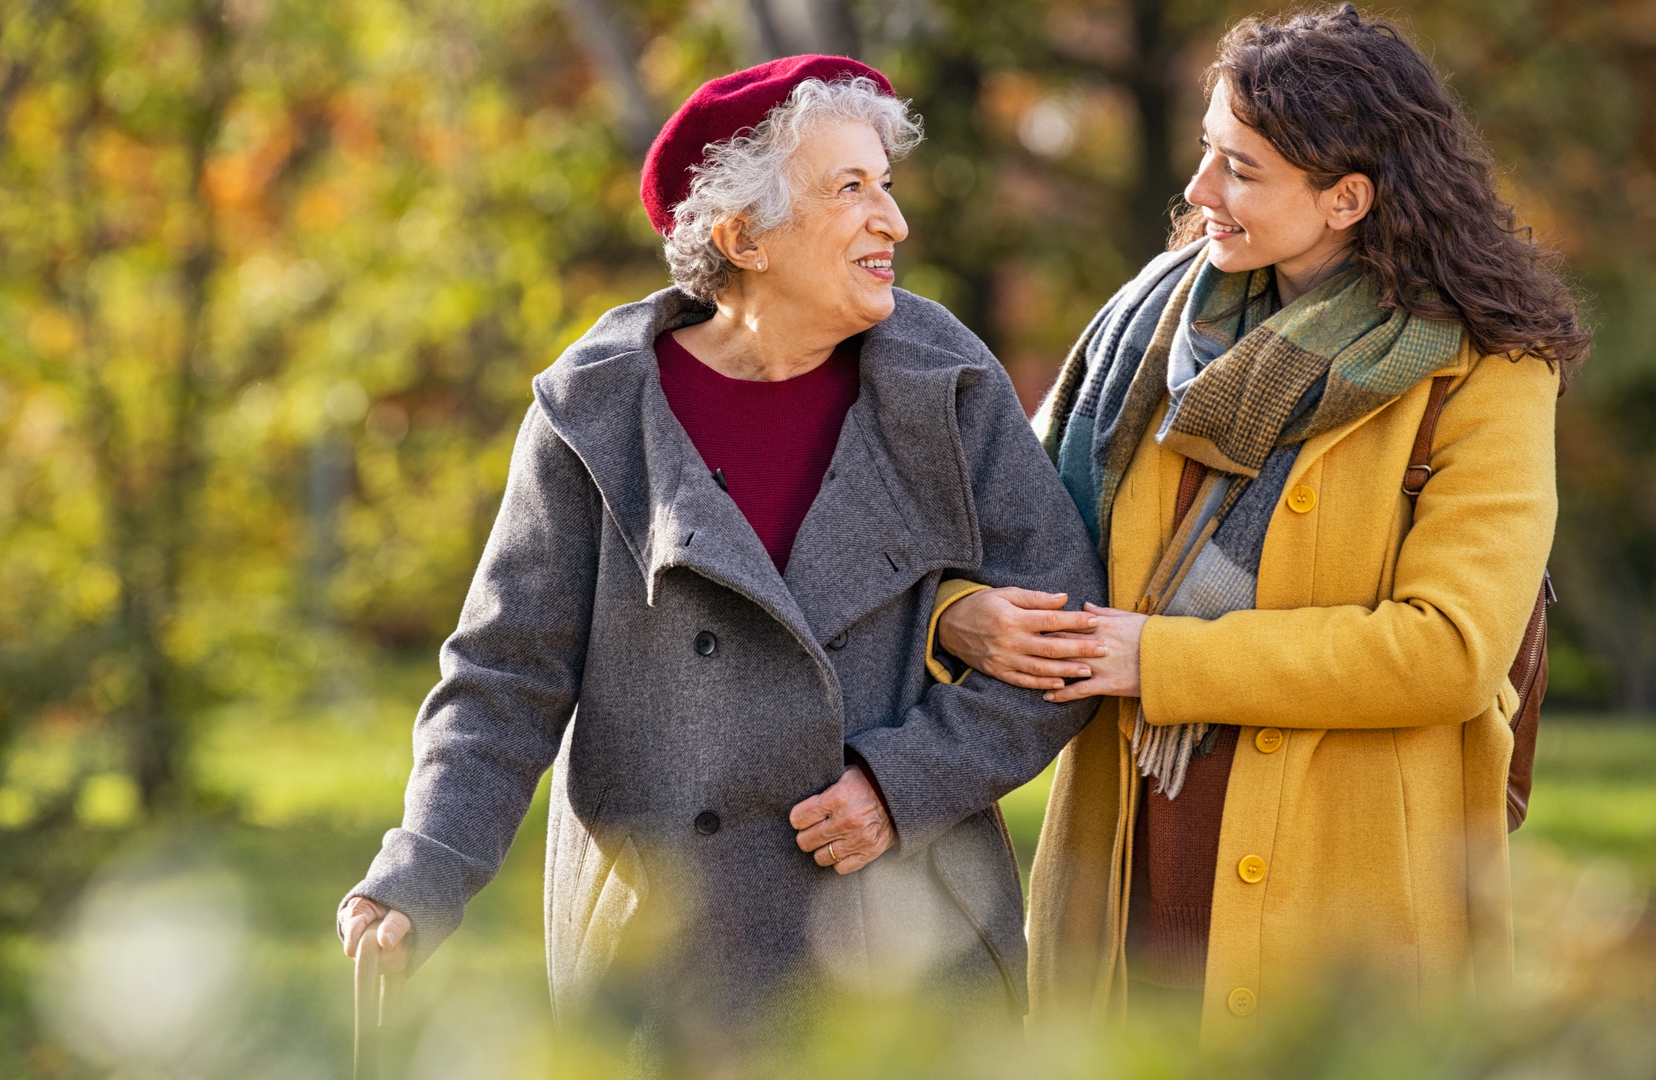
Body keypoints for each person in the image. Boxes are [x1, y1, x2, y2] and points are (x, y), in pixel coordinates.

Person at [336, 55, 1105, 1064]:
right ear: (744, 237)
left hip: (910, 943)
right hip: (671, 955)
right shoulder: (597, 414)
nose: (894, 222)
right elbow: (505, 675)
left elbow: (1062, 637)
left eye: (887, 183)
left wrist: (902, 781)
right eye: (851, 189)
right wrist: (423, 866)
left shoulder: (946, 381)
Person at [932, 4, 1585, 1041]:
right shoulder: (1147, 336)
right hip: (1128, 871)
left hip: (1348, 904)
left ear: (1346, 198)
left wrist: (1166, 660)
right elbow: (994, 531)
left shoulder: (1487, 373)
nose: (1197, 193)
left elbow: (1451, 649)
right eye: (1205, 152)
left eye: (1240, 168)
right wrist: (962, 615)